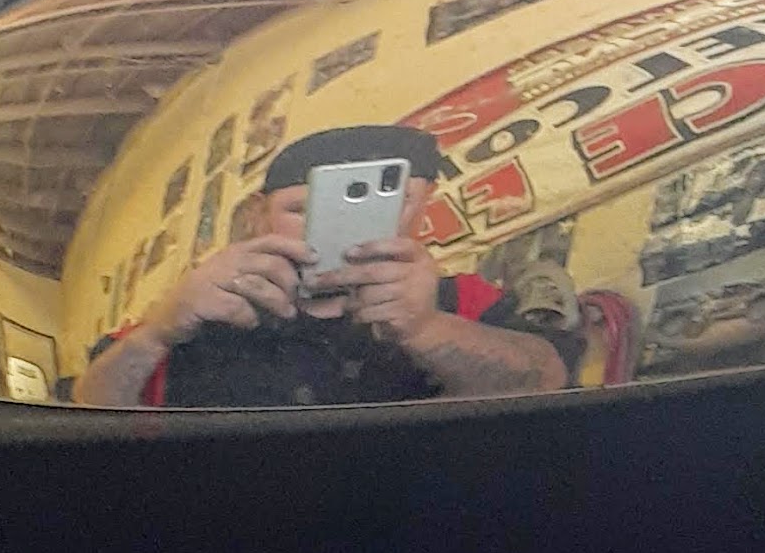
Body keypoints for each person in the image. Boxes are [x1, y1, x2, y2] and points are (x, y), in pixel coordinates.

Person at [74, 126, 577, 407]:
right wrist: (159, 331)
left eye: (387, 206)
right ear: (259, 215)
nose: (326, 230)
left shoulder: (462, 300)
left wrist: (426, 327)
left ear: (422, 207)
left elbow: (547, 382)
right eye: (300, 210)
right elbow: (91, 407)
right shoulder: (204, 307)